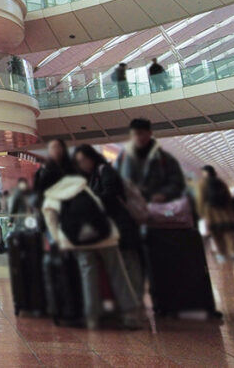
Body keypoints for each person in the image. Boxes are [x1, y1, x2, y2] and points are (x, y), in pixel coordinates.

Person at [38, 166, 142, 330]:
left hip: (78, 241)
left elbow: (52, 225)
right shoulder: (79, 184)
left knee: (88, 276)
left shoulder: (50, 198)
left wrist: (61, 242)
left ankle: (92, 317)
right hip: (105, 235)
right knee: (118, 273)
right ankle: (131, 315)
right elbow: (99, 205)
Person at [73, 144, 145, 300]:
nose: (82, 164)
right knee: (123, 267)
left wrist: (90, 201)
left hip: (122, 226)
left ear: (91, 157)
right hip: (113, 228)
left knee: (129, 265)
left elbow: (110, 195)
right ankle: (131, 303)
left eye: (84, 159)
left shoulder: (104, 170)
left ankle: (136, 303)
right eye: (79, 161)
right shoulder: (93, 176)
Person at [116, 119, 186, 204]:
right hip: (131, 209)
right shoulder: (123, 157)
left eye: (141, 133)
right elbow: (114, 181)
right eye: (134, 134)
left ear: (149, 133)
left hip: (157, 210)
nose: (138, 137)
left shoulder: (164, 158)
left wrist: (164, 194)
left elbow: (177, 182)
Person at [197, 166, 234, 263]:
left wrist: (201, 213)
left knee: (216, 236)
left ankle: (221, 255)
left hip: (211, 213)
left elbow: (201, 199)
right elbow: (229, 198)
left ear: (205, 173)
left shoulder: (202, 184)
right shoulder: (221, 183)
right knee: (229, 235)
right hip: (225, 213)